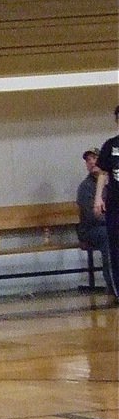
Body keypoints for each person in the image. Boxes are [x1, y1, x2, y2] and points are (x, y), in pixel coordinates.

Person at [77, 147, 114, 297]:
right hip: (92, 229)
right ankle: (113, 286)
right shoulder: (85, 187)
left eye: (94, 158)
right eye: (88, 160)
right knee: (108, 237)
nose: (91, 162)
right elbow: (92, 216)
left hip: (111, 225)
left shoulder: (112, 183)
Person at [93, 105, 119, 302]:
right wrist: (98, 197)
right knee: (116, 247)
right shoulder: (110, 145)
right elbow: (102, 173)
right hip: (116, 203)